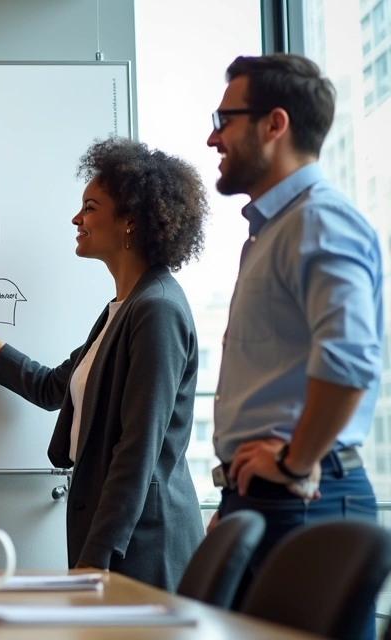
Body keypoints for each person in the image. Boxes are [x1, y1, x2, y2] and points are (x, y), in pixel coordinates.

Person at [0, 137, 209, 589]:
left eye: (91, 207)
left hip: (142, 546)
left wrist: (95, 559)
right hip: (113, 534)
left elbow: (136, 452)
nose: (77, 219)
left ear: (131, 222)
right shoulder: (123, 307)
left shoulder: (156, 310)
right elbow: (51, 387)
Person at [207, 54, 382, 618]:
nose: (213, 137)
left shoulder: (320, 221)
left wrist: (291, 463)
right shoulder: (270, 232)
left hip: (307, 497)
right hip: (268, 498)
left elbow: (351, 359)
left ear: (274, 124)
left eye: (224, 118)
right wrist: (241, 494)